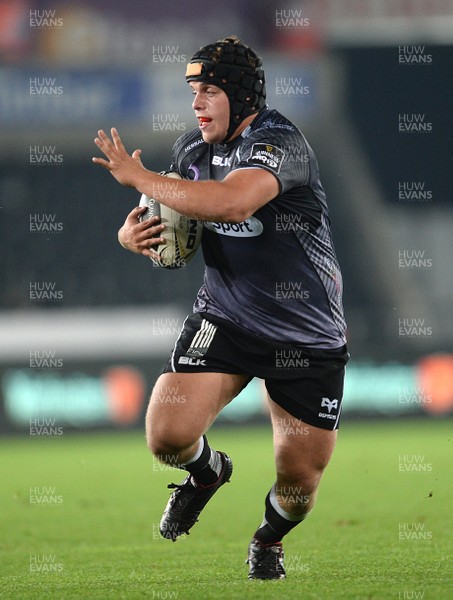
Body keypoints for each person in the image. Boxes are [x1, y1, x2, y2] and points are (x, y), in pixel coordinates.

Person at [92, 35, 349, 580]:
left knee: (299, 483)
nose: (197, 102)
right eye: (193, 91)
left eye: (208, 90)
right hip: (226, 315)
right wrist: (129, 237)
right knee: (166, 435)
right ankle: (207, 474)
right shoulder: (192, 153)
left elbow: (234, 201)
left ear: (238, 93)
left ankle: (267, 539)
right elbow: (169, 221)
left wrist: (139, 177)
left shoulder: (282, 143)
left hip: (304, 332)